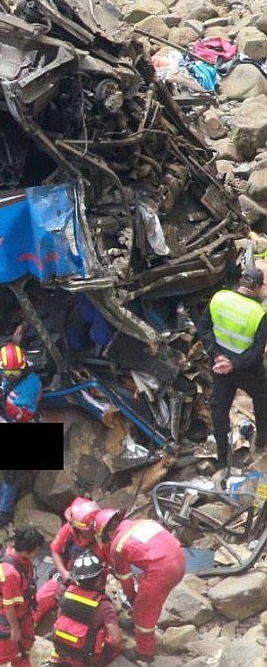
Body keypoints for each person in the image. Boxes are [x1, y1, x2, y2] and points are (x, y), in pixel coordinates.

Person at [195, 264, 267, 469]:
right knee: (262, 401)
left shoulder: (219, 298)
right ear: (257, 288)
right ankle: (262, 441)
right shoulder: (258, 314)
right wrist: (234, 364)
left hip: (219, 367)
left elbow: (204, 328)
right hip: (247, 370)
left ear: (240, 283)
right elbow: (256, 352)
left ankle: (221, 459)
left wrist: (216, 355)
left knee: (220, 410)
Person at [92, 509, 185, 661]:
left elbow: (126, 578)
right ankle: (137, 621)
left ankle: (144, 652)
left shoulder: (118, 545)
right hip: (179, 558)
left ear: (107, 533)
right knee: (144, 588)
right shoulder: (142, 522)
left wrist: (132, 599)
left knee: (144, 610)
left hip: (162, 571)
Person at [0, 343, 43, 529]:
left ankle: (5, 510)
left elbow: (26, 415)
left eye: (14, 373)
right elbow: (0, 374)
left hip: (23, 420)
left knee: (10, 473)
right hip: (5, 412)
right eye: (7, 372)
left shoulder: (31, 384)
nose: (11, 376)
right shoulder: (9, 372)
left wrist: (9, 405)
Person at [34, 497, 102, 624]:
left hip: (91, 583)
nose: (71, 524)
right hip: (68, 575)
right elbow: (55, 551)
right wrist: (64, 573)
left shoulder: (101, 540)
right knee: (40, 601)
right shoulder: (70, 530)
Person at [0, 527, 44, 667]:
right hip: (11, 621)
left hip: (24, 614)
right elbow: (9, 605)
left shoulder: (21, 560)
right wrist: (15, 628)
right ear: (32, 550)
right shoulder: (10, 573)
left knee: (24, 649)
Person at [50, 551, 124, 667]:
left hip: (62, 649)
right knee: (114, 647)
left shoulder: (66, 592)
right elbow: (116, 640)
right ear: (99, 578)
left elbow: (59, 617)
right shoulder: (104, 605)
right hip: (86, 657)